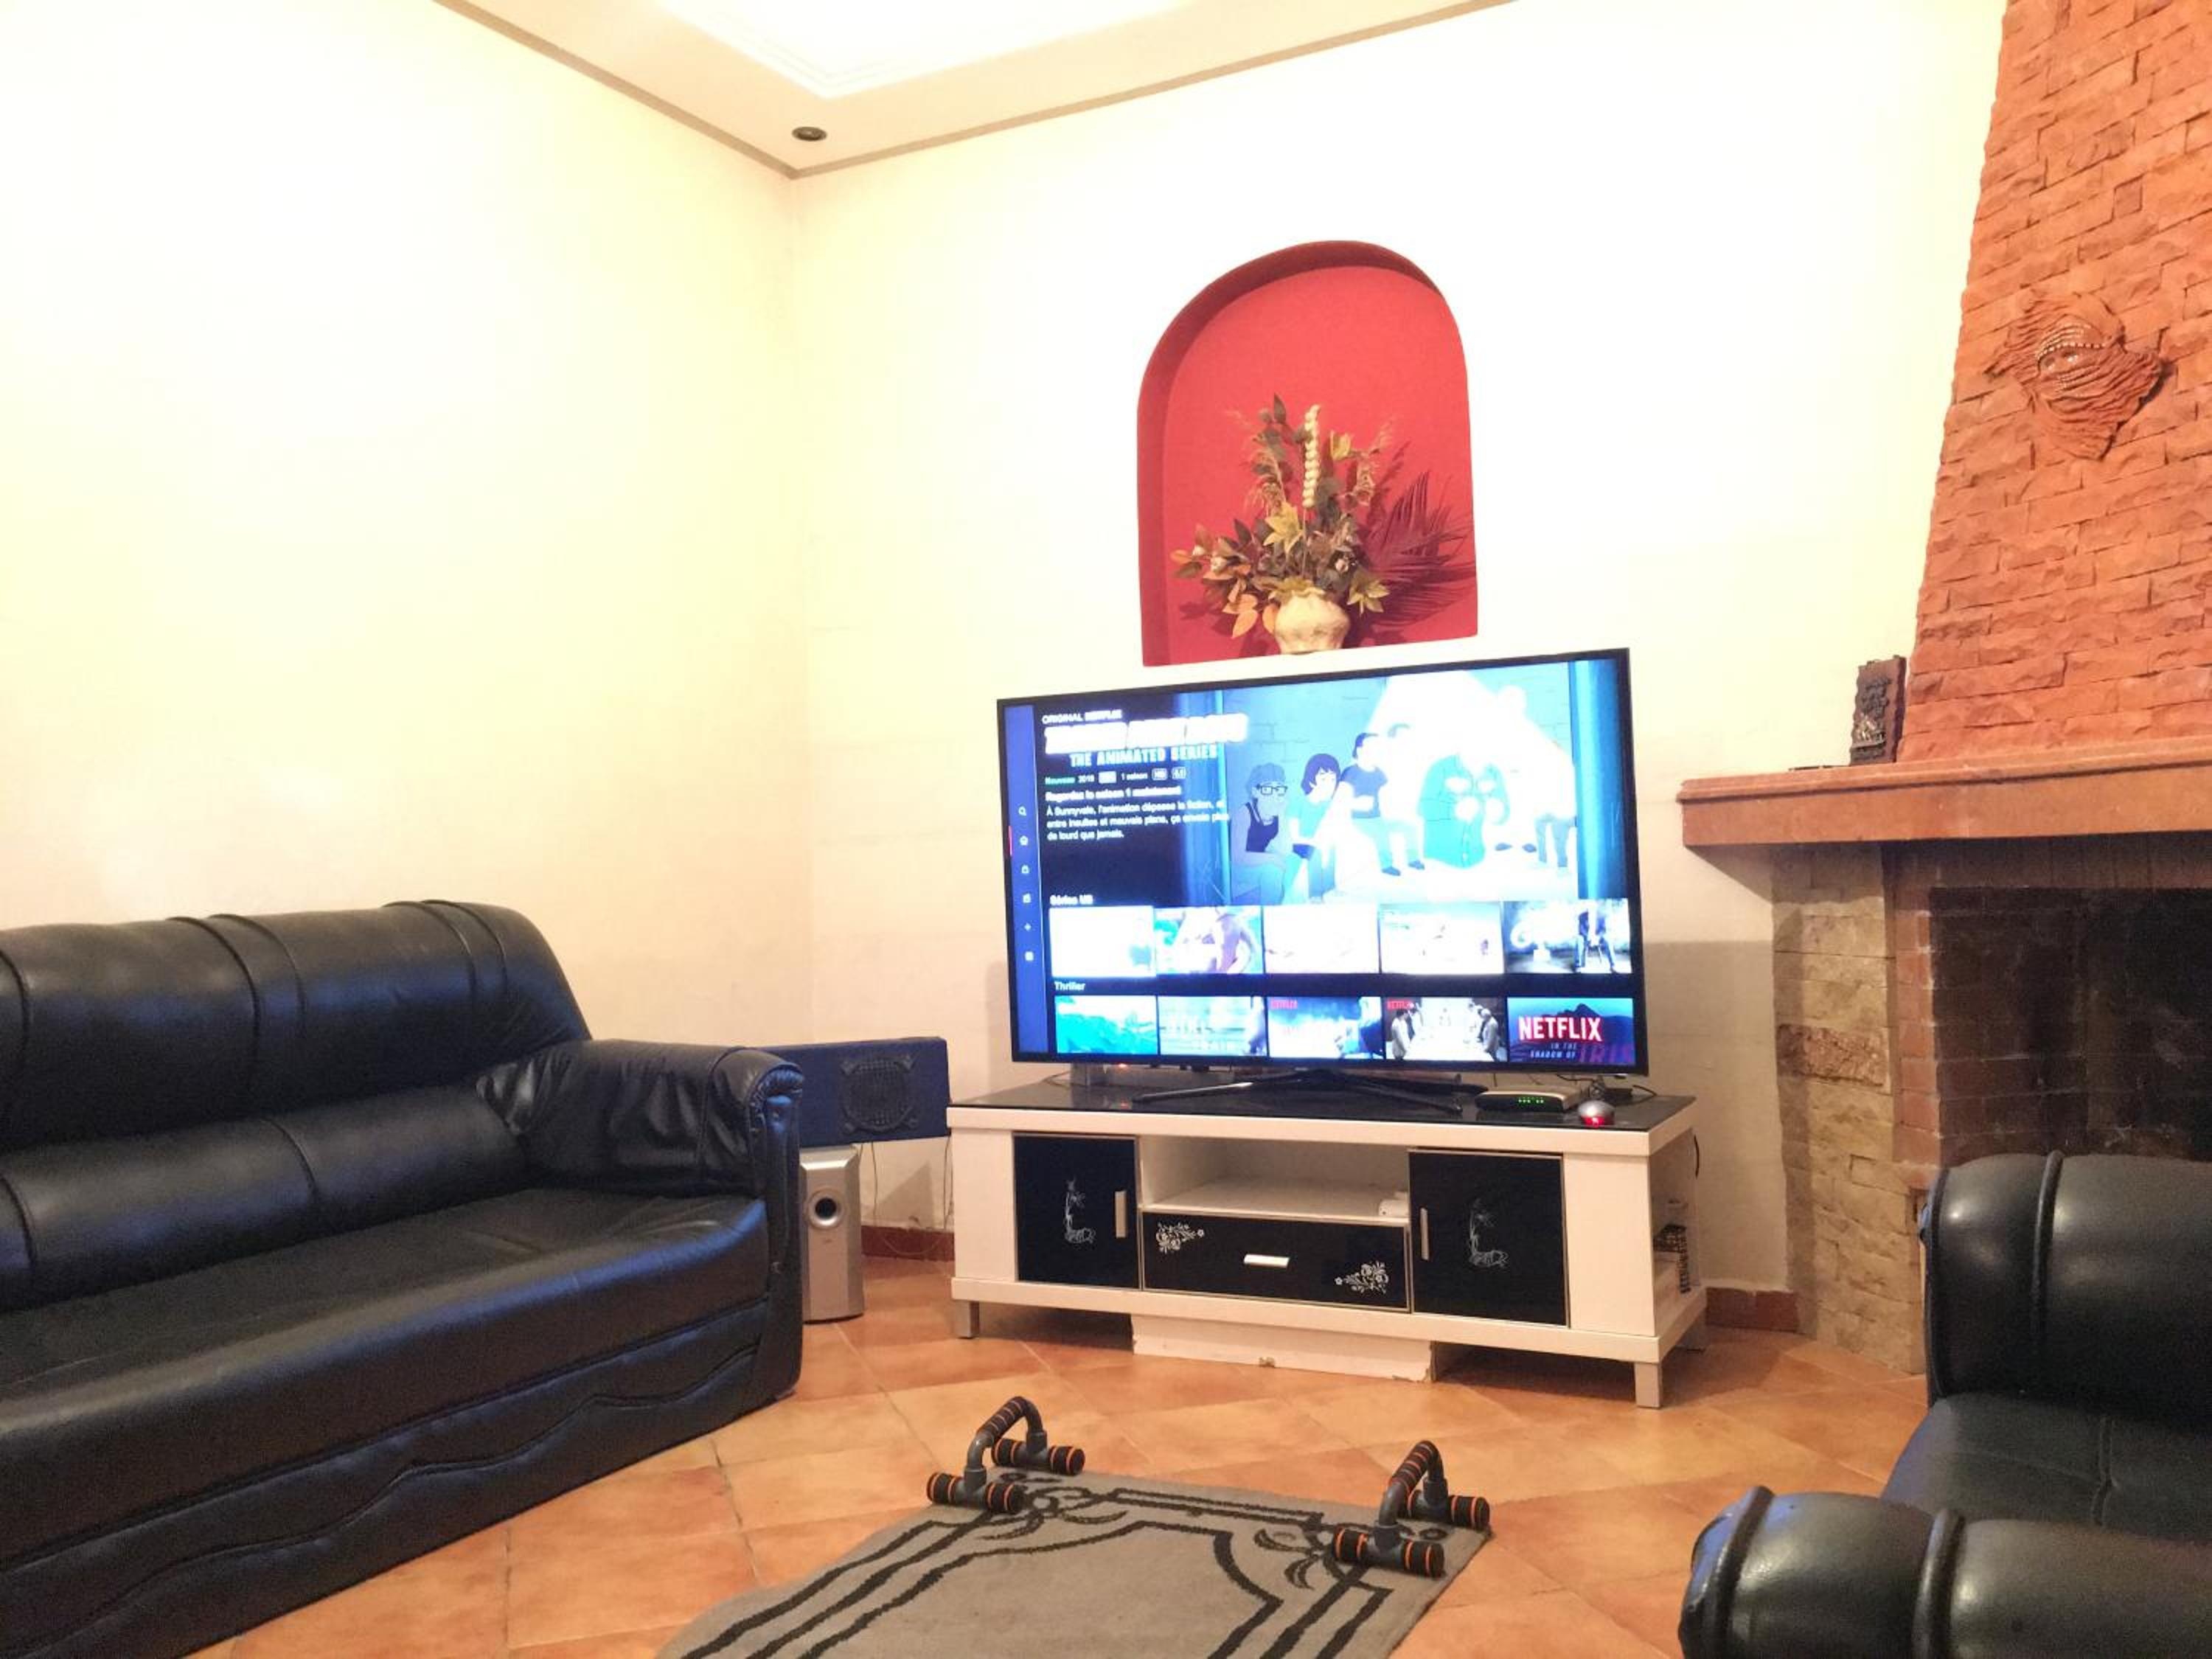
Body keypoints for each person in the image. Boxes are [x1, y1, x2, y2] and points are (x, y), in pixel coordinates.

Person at [1229, 762, 1295, 905]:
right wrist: (1272, 858)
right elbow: (1237, 857)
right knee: (1272, 871)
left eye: (1279, 789)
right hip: (1239, 868)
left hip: (1261, 861)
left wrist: (1282, 814)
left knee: (1294, 862)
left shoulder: (1276, 814)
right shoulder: (1244, 814)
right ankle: (1269, 913)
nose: (1274, 795)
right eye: (1267, 789)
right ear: (1255, 792)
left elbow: (1286, 850)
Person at [1290, 752, 1347, 901]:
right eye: (1324, 779)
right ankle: (1315, 894)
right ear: (1311, 781)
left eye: (1333, 779)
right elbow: (1294, 837)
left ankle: (1330, 888)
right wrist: (1314, 842)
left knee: (1332, 848)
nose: (1330, 784)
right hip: (1302, 844)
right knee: (1316, 852)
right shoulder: (1299, 803)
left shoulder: (1331, 805)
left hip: (1324, 842)